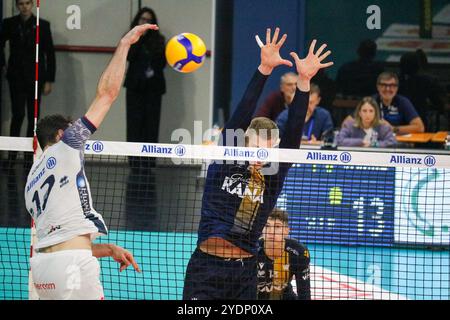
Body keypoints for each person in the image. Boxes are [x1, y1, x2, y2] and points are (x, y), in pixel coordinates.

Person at [183, 28, 333, 300]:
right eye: (255, 146)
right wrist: (264, 68)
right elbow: (243, 110)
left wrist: (304, 81)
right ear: (244, 142)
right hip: (205, 269)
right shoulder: (226, 161)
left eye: (268, 148)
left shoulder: (273, 176)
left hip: (244, 274)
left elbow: (295, 128)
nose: (260, 154)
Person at [23, 23, 159, 300]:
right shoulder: (67, 146)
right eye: (72, 128)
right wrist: (124, 46)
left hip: (43, 270)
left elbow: (62, 241)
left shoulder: (31, 183)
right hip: (71, 267)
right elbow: (107, 94)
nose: (79, 134)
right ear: (61, 134)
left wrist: (108, 249)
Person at [0, 0, 55, 143]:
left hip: (36, 77)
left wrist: (49, 79)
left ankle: (29, 158)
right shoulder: (9, 23)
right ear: (17, 6)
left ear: (32, 5)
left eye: (27, 3)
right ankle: (11, 156)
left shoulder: (42, 25)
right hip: (16, 76)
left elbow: (49, 53)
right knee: (17, 115)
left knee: (33, 117)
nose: (24, 7)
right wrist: (4, 65)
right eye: (21, 4)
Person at [124, 7, 166, 173]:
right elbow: (129, 57)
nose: (145, 22)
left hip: (153, 89)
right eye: (142, 19)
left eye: (148, 20)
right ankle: (134, 162)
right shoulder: (131, 39)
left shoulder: (160, 41)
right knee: (134, 125)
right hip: (135, 88)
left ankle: (149, 162)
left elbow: (162, 63)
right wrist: (138, 38)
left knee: (151, 126)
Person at [257, 208, 311, 300]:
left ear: (286, 231)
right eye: (267, 226)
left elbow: (304, 293)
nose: (271, 232)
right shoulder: (252, 249)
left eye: (277, 227)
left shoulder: (299, 252)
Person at [398, 51, 446, 131]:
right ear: (417, 65)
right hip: (420, 120)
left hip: (399, 121)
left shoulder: (394, 80)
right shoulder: (426, 81)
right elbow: (437, 102)